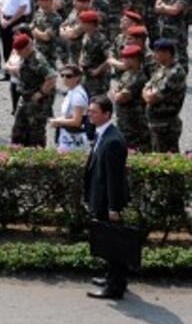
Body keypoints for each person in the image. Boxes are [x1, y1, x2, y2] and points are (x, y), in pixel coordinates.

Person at [84, 95, 130, 300]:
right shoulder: (104, 134)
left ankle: (115, 287)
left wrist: (113, 207)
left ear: (106, 114)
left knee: (114, 244)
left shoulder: (112, 141)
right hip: (101, 198)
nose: (89, 114)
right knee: (109, 242)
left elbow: (114, 179)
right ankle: (112, 277)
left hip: (107, 201)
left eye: (94, 112)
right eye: (89, 110)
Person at [49, 65, 90, 153]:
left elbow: (77, 121)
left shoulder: (77, 96)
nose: (64, 78)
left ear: (77, 77)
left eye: (69, 76)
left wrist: (57, 122)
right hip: (68, 135)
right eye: (62, 75)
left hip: (74, 138)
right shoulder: (72, 91)